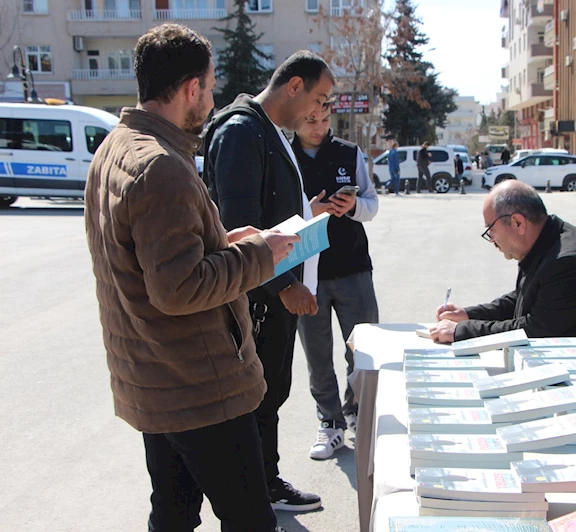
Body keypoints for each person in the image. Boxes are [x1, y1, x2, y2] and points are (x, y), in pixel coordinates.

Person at [84, 24, 299, 532]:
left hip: (157, 378)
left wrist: (222, 240)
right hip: (199, 387)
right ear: (189, 89)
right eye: (210, 82)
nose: (213, 94)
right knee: (250, 520)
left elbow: (151, 259)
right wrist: (257, 253)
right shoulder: (160, 167)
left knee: (174, 515)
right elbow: (179, 287)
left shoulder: (115, 149)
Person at [204, 50, 336, 512]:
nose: (318, 112)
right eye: (318, 98)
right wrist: (283, 286)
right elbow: (241, 224)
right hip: (257, 296)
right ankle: (254, 494)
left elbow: (273, 212)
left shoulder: (269, 132)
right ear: (294, 86)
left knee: (269, 393)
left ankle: (265, 482)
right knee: (253, 398)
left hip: (272, 292)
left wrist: (309, 217)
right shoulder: (242, 131)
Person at [428, 180, 576, 386]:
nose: (491, 239)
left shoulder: (569, 261)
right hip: (575, 376)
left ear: (518, 222)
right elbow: (523, 297)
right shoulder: (547, 243)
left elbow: (533, 330)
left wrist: (462, 331)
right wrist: (469, 314)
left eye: (491, 229)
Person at [291, 105, 380, 460]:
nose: (319, 127)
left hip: (353, 266)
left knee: (361, 349)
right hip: (306, 273)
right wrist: (307, 214)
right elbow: (273, 216)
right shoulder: (284, 155)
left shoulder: (348, 152)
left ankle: (357, 411)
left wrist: (354, 205)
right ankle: (330, 422)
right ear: (295, 119)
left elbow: (373, 205)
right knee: (316, 352)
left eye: (325, 120)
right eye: (310, 119)